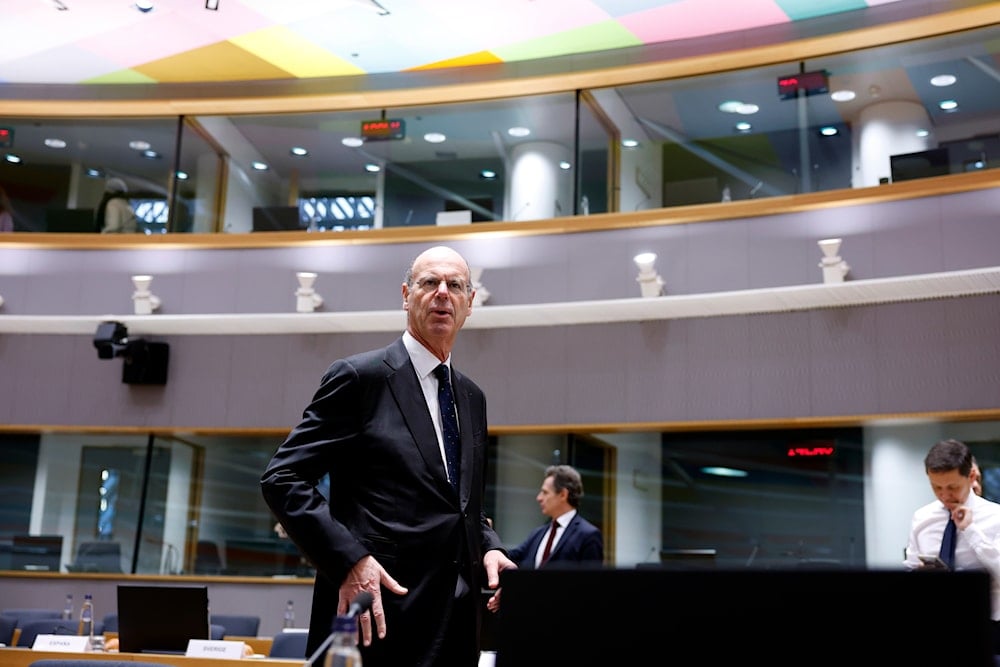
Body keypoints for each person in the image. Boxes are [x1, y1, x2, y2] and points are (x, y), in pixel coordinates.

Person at [260, 245, 516, 667]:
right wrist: (349, 559)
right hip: (379, 617)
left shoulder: (472, 398)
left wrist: (489, 546)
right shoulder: (361, 378)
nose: (442, 294)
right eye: (429, 283)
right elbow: (283, 478)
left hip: (456, 623)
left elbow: (462, 503)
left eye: (454, 286)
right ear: (405, 294)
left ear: (470, 303)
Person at [903, 438, 1000, 651]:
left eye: (952, 487)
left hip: (990, 625)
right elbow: (909, 567)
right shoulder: (922, 518)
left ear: (971, 476)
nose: (944, 495)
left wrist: (970, 530)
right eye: (936, 487)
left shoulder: (996, 517)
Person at [506, 464, 604, 569]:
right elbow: (510, 557)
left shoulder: (588, 535)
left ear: (563, 494)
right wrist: (488, 538)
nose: (539, 498)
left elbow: (592, 582)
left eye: (545, 492)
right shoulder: (537, 534)